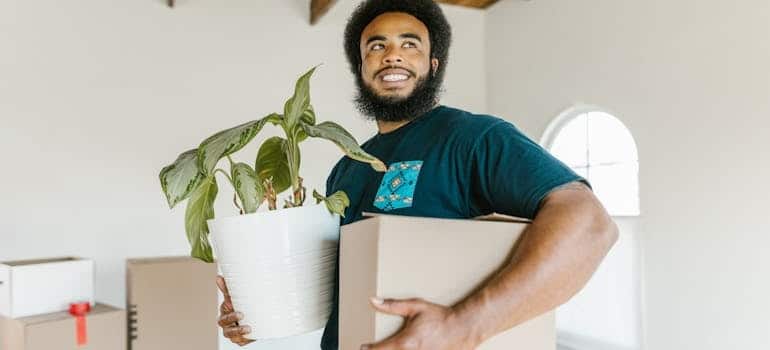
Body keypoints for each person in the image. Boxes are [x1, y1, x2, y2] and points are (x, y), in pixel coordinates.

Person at [217, 0, 619, 349]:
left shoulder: (473, 137)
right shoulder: (346, 168)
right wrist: (261, 310)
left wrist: (464, 328)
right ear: (362, 67)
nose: (393, 55)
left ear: (432, 64)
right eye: (377, 46)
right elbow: (343, 290)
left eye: (409, 44)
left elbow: (590, 225)